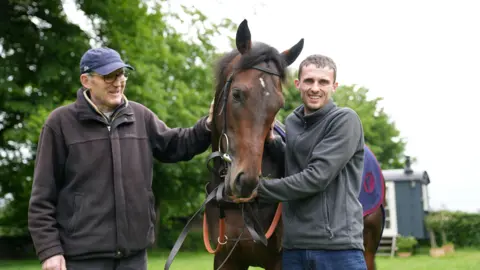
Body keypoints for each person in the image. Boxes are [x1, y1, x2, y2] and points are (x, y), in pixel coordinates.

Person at [27, 47, 214, 270]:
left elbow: (177, 145)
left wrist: (209, 125)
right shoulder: (59, 124)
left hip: (133, 257)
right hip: (81, 259)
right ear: (86, 80)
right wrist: (50, 251)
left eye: (121, 74)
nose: (117, 82)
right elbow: (42, 198)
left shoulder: (140, 116)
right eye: (108, 76)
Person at [244, 54, 367, 269]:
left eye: (323, 82)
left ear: (334, 86)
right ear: (297, 84)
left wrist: (258, 189)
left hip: (337, 248)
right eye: (309, 81)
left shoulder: (345, 120)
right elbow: (295, 165)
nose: (315, 88)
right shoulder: (293, 121)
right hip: (294, 248)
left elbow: (316, 177)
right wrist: (274, 144)